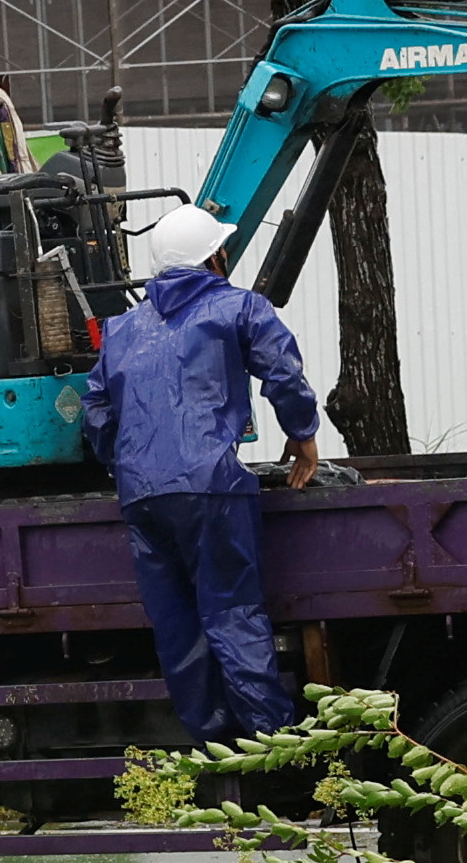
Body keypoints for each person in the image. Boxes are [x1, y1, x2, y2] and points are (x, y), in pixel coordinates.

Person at [86, 201, 325, 739]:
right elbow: (281, 370)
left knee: (177, 629)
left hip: (141, 495)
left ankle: (215, 754)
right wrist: (303, 435)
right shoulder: (240, 308)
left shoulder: (122, 329)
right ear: (214, 258)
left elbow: (96, 408)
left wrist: (123, 461)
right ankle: (271, 754)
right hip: (210, 488)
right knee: (232, 615)